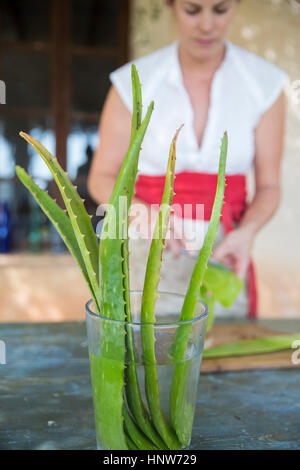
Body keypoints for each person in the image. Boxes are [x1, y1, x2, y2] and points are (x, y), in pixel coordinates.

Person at [88, 0, 286, 317]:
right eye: (193, 10)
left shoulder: (265, 84)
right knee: (146, 355)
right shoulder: (133, 82)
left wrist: (246, 233)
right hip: (147, 252)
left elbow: (270, 186)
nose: (206, 24)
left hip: (224, 254)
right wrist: (142, 214)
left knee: (222, 352)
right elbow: (101, 176)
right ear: (172, 7)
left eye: (220, 10)